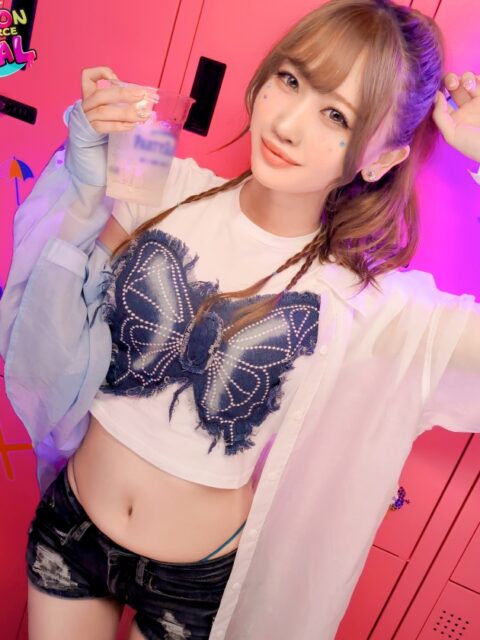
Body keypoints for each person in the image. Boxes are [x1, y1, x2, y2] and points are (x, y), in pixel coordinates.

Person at [0, 0, 479, 638]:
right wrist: (85, 174)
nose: (287, 123)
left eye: (336, 115)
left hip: (189, 584)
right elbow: (47, 311)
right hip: (72, 528)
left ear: (382, 159)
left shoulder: (363, 303)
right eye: (291, 79)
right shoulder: (161, 183)